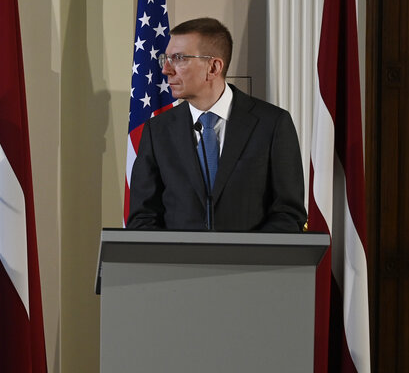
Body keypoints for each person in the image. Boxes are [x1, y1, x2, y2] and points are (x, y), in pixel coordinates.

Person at [127, 17, 307, 231]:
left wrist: (245, 258)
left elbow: (288, 214)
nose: (166, 69)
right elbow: (142, 219)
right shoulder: (157, 131)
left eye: (178, 58)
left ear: (213, 67)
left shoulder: (273, 124)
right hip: (178, 263)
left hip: (251, 263)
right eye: (166, 58)